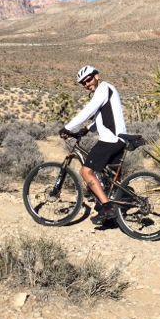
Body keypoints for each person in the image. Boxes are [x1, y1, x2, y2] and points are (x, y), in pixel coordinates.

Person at [59, 65, 127, 225]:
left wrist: (68, 128)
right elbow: (101, 117)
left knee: (86, 172)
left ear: (97, 76)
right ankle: (115, 208)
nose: (87, 84)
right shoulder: (105, 90)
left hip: (110, 140)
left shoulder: (104, 88)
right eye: (83, 83)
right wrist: (85, 129)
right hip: (118, 139)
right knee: (111, 179)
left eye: (88, 79)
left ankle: (107, 208)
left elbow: (89, 110)